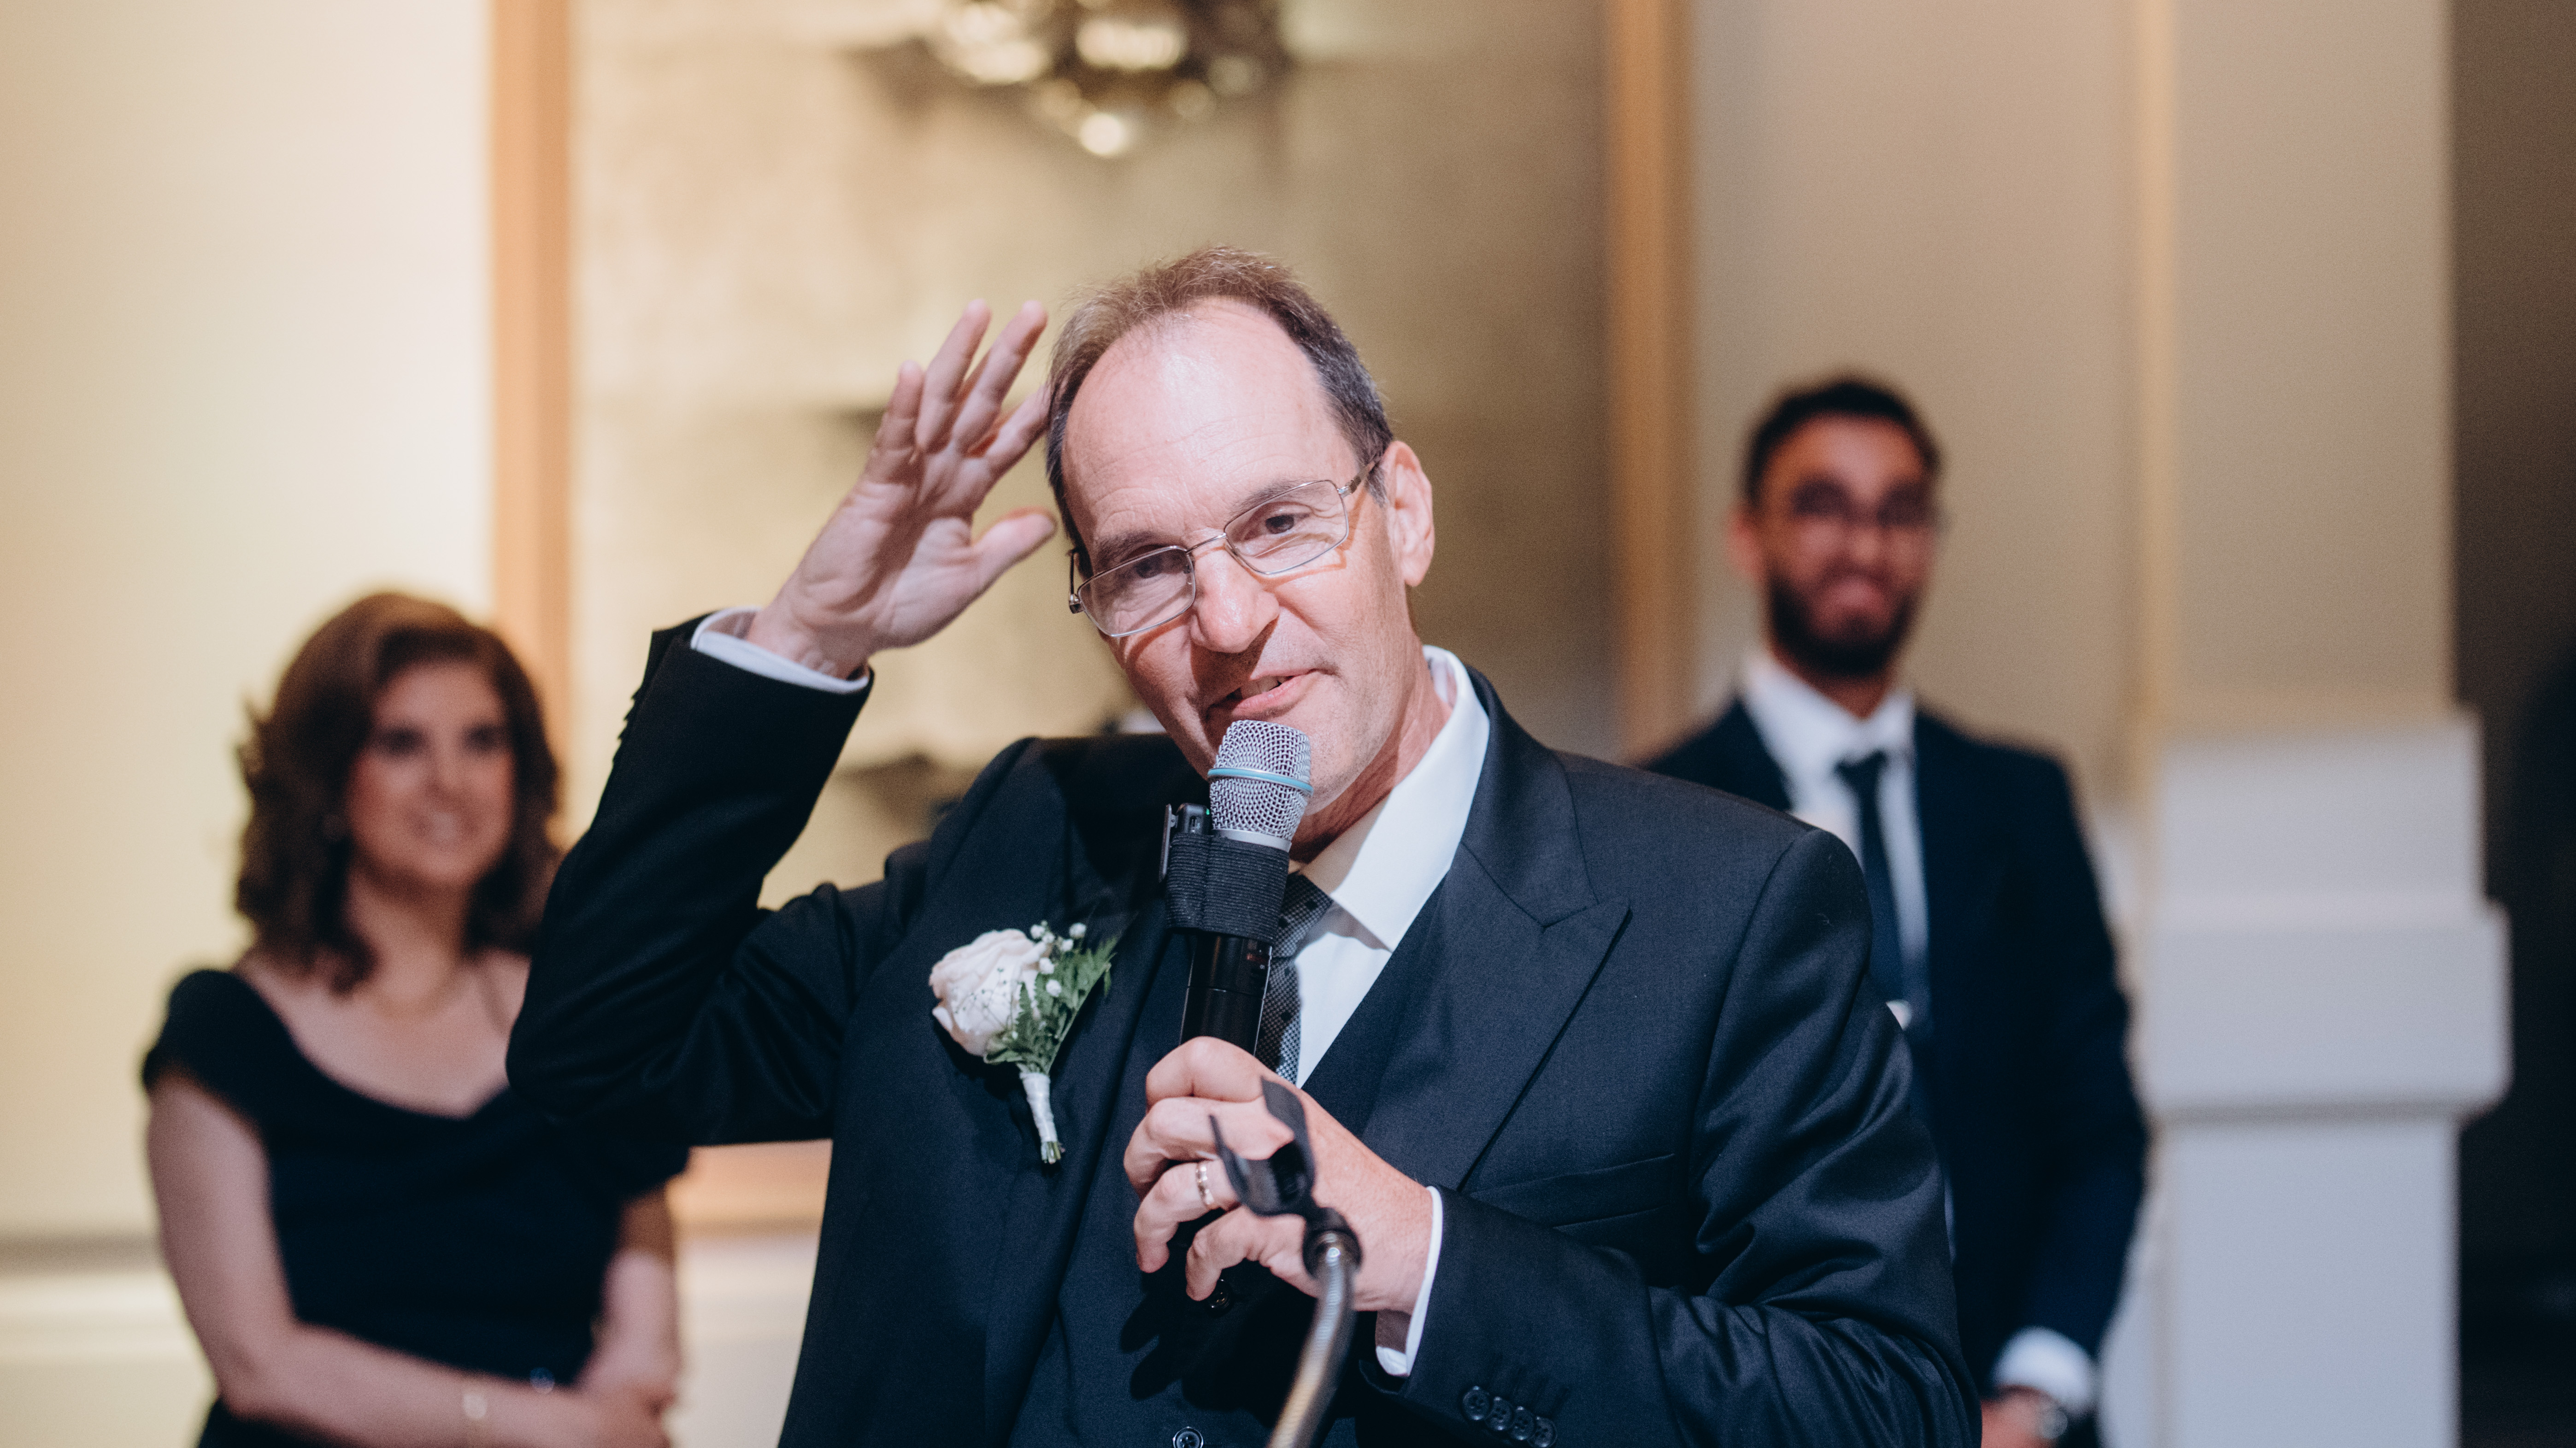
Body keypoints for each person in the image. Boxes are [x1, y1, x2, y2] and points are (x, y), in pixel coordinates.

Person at [509, 247, 1979, 1447]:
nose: (1223, 623)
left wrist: (1423, 1259)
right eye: (1148, 566)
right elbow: (600, 1052)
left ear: (1401, 512)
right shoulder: (1033, 831)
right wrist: (805, 639)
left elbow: (1882, 1408)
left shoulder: (1723, 908)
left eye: (1278, 523)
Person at [1646, 378, 2149, 1448]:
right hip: (1765, 1405)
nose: (1864, 546)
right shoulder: (1656, 812)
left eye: (1900, 511)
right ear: (1746, 535)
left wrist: (2036, 1394)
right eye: (1821, 505)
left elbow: (2097, 1124)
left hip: (2018, 1406)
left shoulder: (2021, 801)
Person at [144, 593, 689, 1448]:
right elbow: (260, 1365)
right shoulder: (226, 1035)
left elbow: (645, 1344)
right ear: (326, 778)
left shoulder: (581, 1016)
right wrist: (531, 1427)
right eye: (401, 744)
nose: (451, 782)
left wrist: (592, 1427)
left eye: (483, 741)